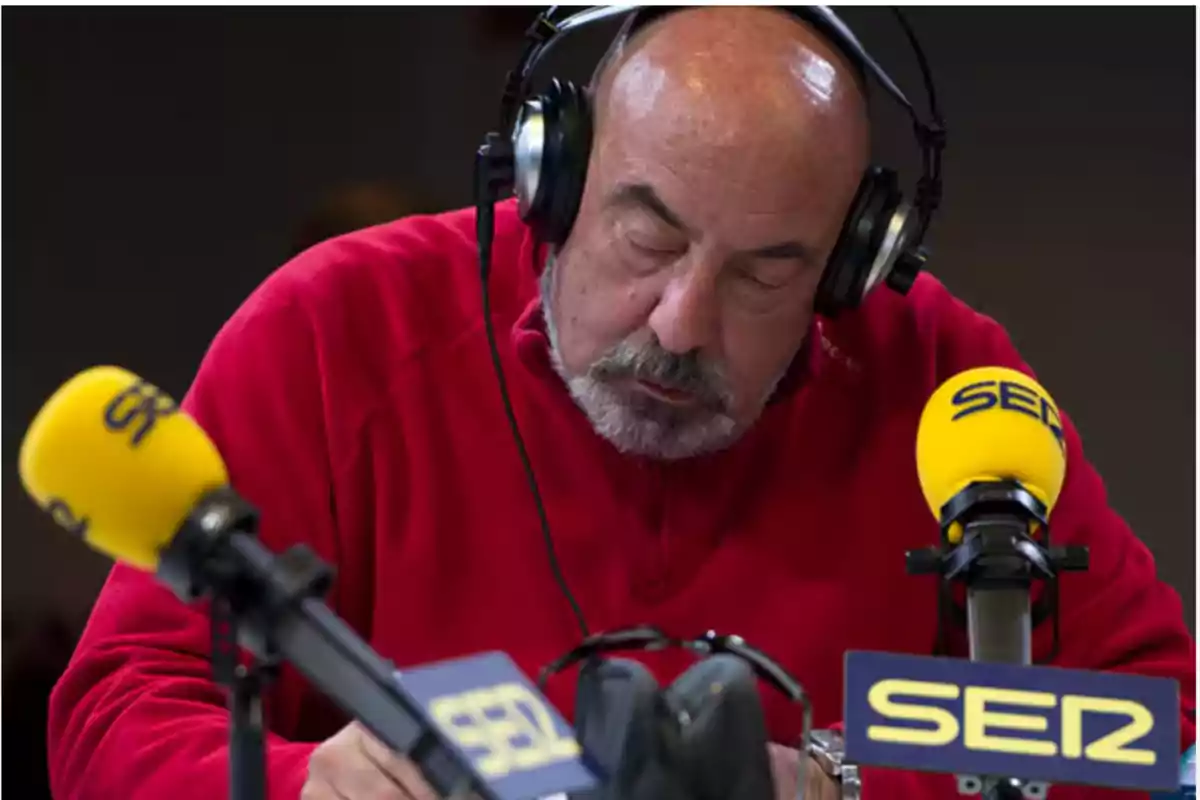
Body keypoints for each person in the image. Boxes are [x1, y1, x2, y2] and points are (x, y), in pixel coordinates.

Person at [47, 7, 1195, 800]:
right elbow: (113, 713)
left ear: (849, 265)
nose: (681, 320)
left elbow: (1159, 732)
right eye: (647, 232)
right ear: (553, 177)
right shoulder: (336, 332)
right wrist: (308, 783)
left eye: (765, 271)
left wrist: (847, 780)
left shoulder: (946, 383)